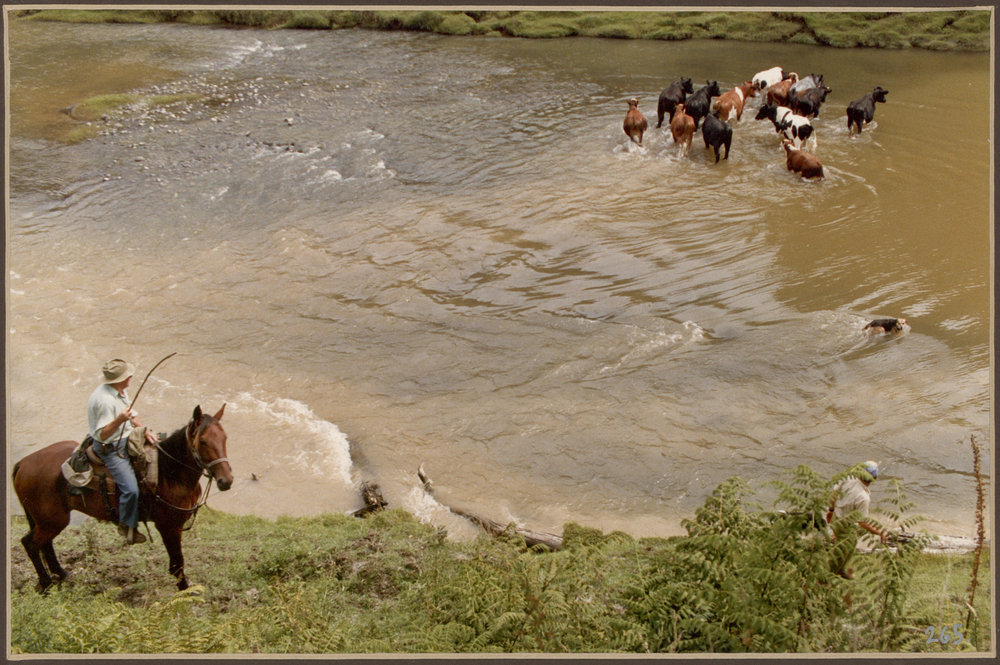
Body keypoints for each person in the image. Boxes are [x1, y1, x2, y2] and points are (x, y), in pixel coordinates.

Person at [87, 358, 159, 544]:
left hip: (127, 437)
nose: (131, 378)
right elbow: (102, 434)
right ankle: (127, 526)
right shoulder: (104, 401)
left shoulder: (120, 390)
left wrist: (145, 431)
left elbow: (132, 414)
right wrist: (120, 420)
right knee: (131, 490)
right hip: (110, 448)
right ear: (119, 379)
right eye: (128, 376)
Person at [825, 460, 889, 579]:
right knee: (844, 549)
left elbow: (833, 493)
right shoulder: (863, 498)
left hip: (836, 517)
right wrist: (880, 532)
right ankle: (828, 575)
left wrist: (831, 510)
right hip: (846, 525)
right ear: (874, 478)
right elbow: (862, 522)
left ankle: (840, 569)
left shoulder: (848, 477)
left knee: (847, 543)